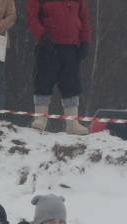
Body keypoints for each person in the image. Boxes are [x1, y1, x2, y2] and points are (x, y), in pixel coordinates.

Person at [26, 0, 90, 135]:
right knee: (43, 82)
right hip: (47, 45)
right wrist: (41, 36)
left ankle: (72, 123)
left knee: (71, 84)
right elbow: (32, 16)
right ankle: (40, 119)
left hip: (71, 47)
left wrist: (85, 41)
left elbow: (84, 18)